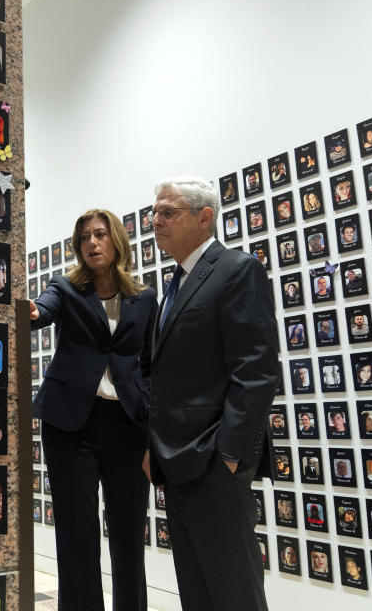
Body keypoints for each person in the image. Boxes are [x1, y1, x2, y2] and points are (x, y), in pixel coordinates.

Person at [148, 177, 277, 611]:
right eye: (155, 211)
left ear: (205, 218)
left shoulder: (237, 270)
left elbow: (255, 370)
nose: (155, 220)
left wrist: (230, 455)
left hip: (214, 459)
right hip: (177, 459)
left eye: (168, 212)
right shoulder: (176, 281)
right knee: (196, 589)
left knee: (233, 587)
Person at [28, 208, 157, 611]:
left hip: (127, 426)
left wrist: (151, 414)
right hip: (71, 426)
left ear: (116, 240)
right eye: (84, 237)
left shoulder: (144, 297)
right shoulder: (64, 289)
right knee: (77, 533)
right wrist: (32, 311)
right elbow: (42, 309)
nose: (92, 243)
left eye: (100, 234)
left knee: (128, 532)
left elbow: (151, 362)